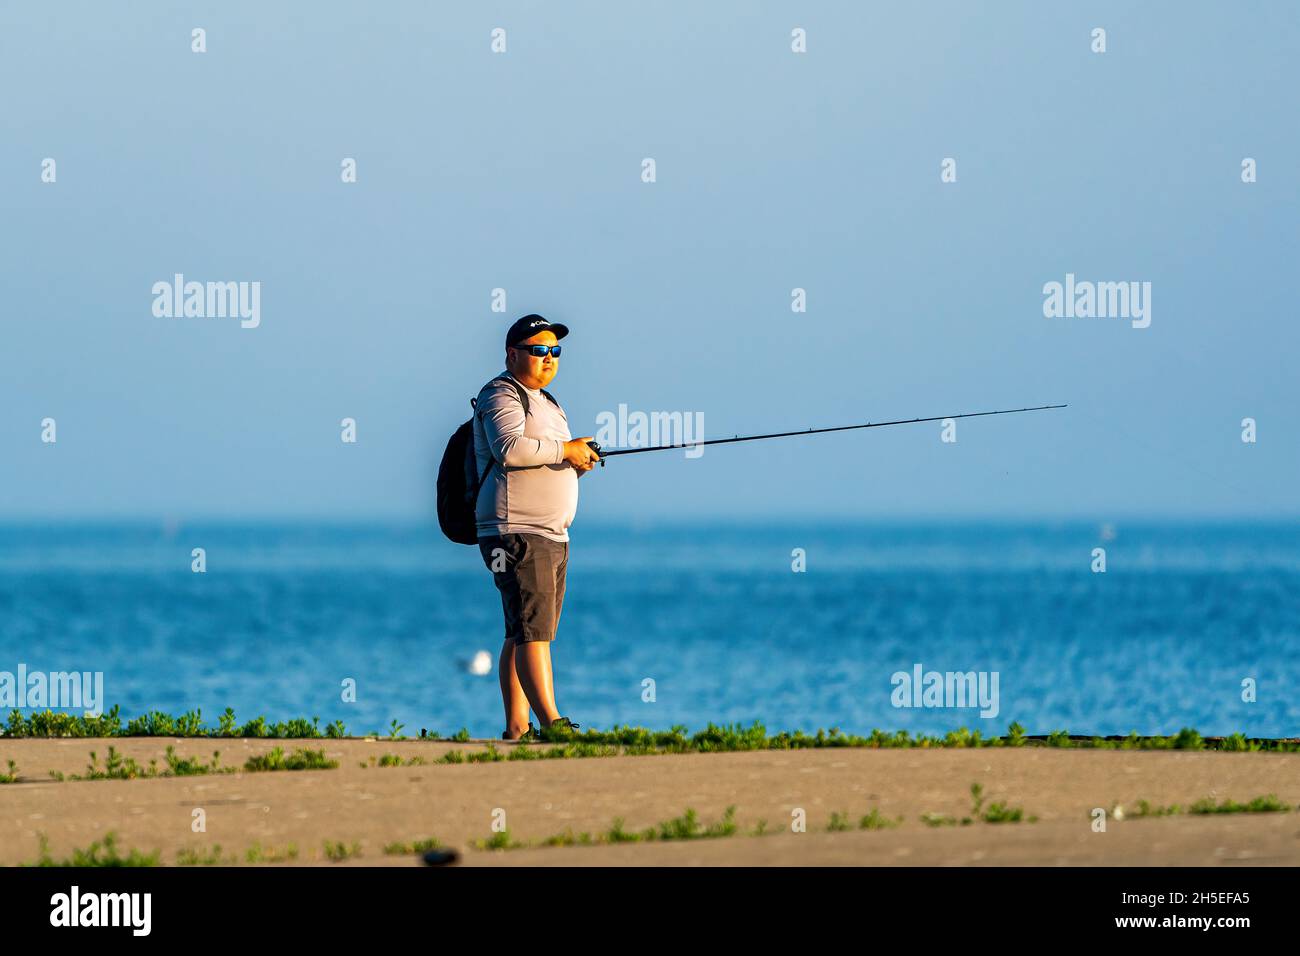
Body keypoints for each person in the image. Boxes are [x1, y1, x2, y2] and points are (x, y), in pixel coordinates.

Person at [473, 314, 600, 740]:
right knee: (534, 631)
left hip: (551, 532)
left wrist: (576, 461)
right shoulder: (500, 394)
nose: (548, 358)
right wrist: (566, 449)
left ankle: (517, 728)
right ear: (512, 354)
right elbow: (509, 448)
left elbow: (546, 458)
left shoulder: (549, 402)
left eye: (555, 351)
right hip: (516, 529)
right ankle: (553, 724)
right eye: (538, 350)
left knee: (522, 627)